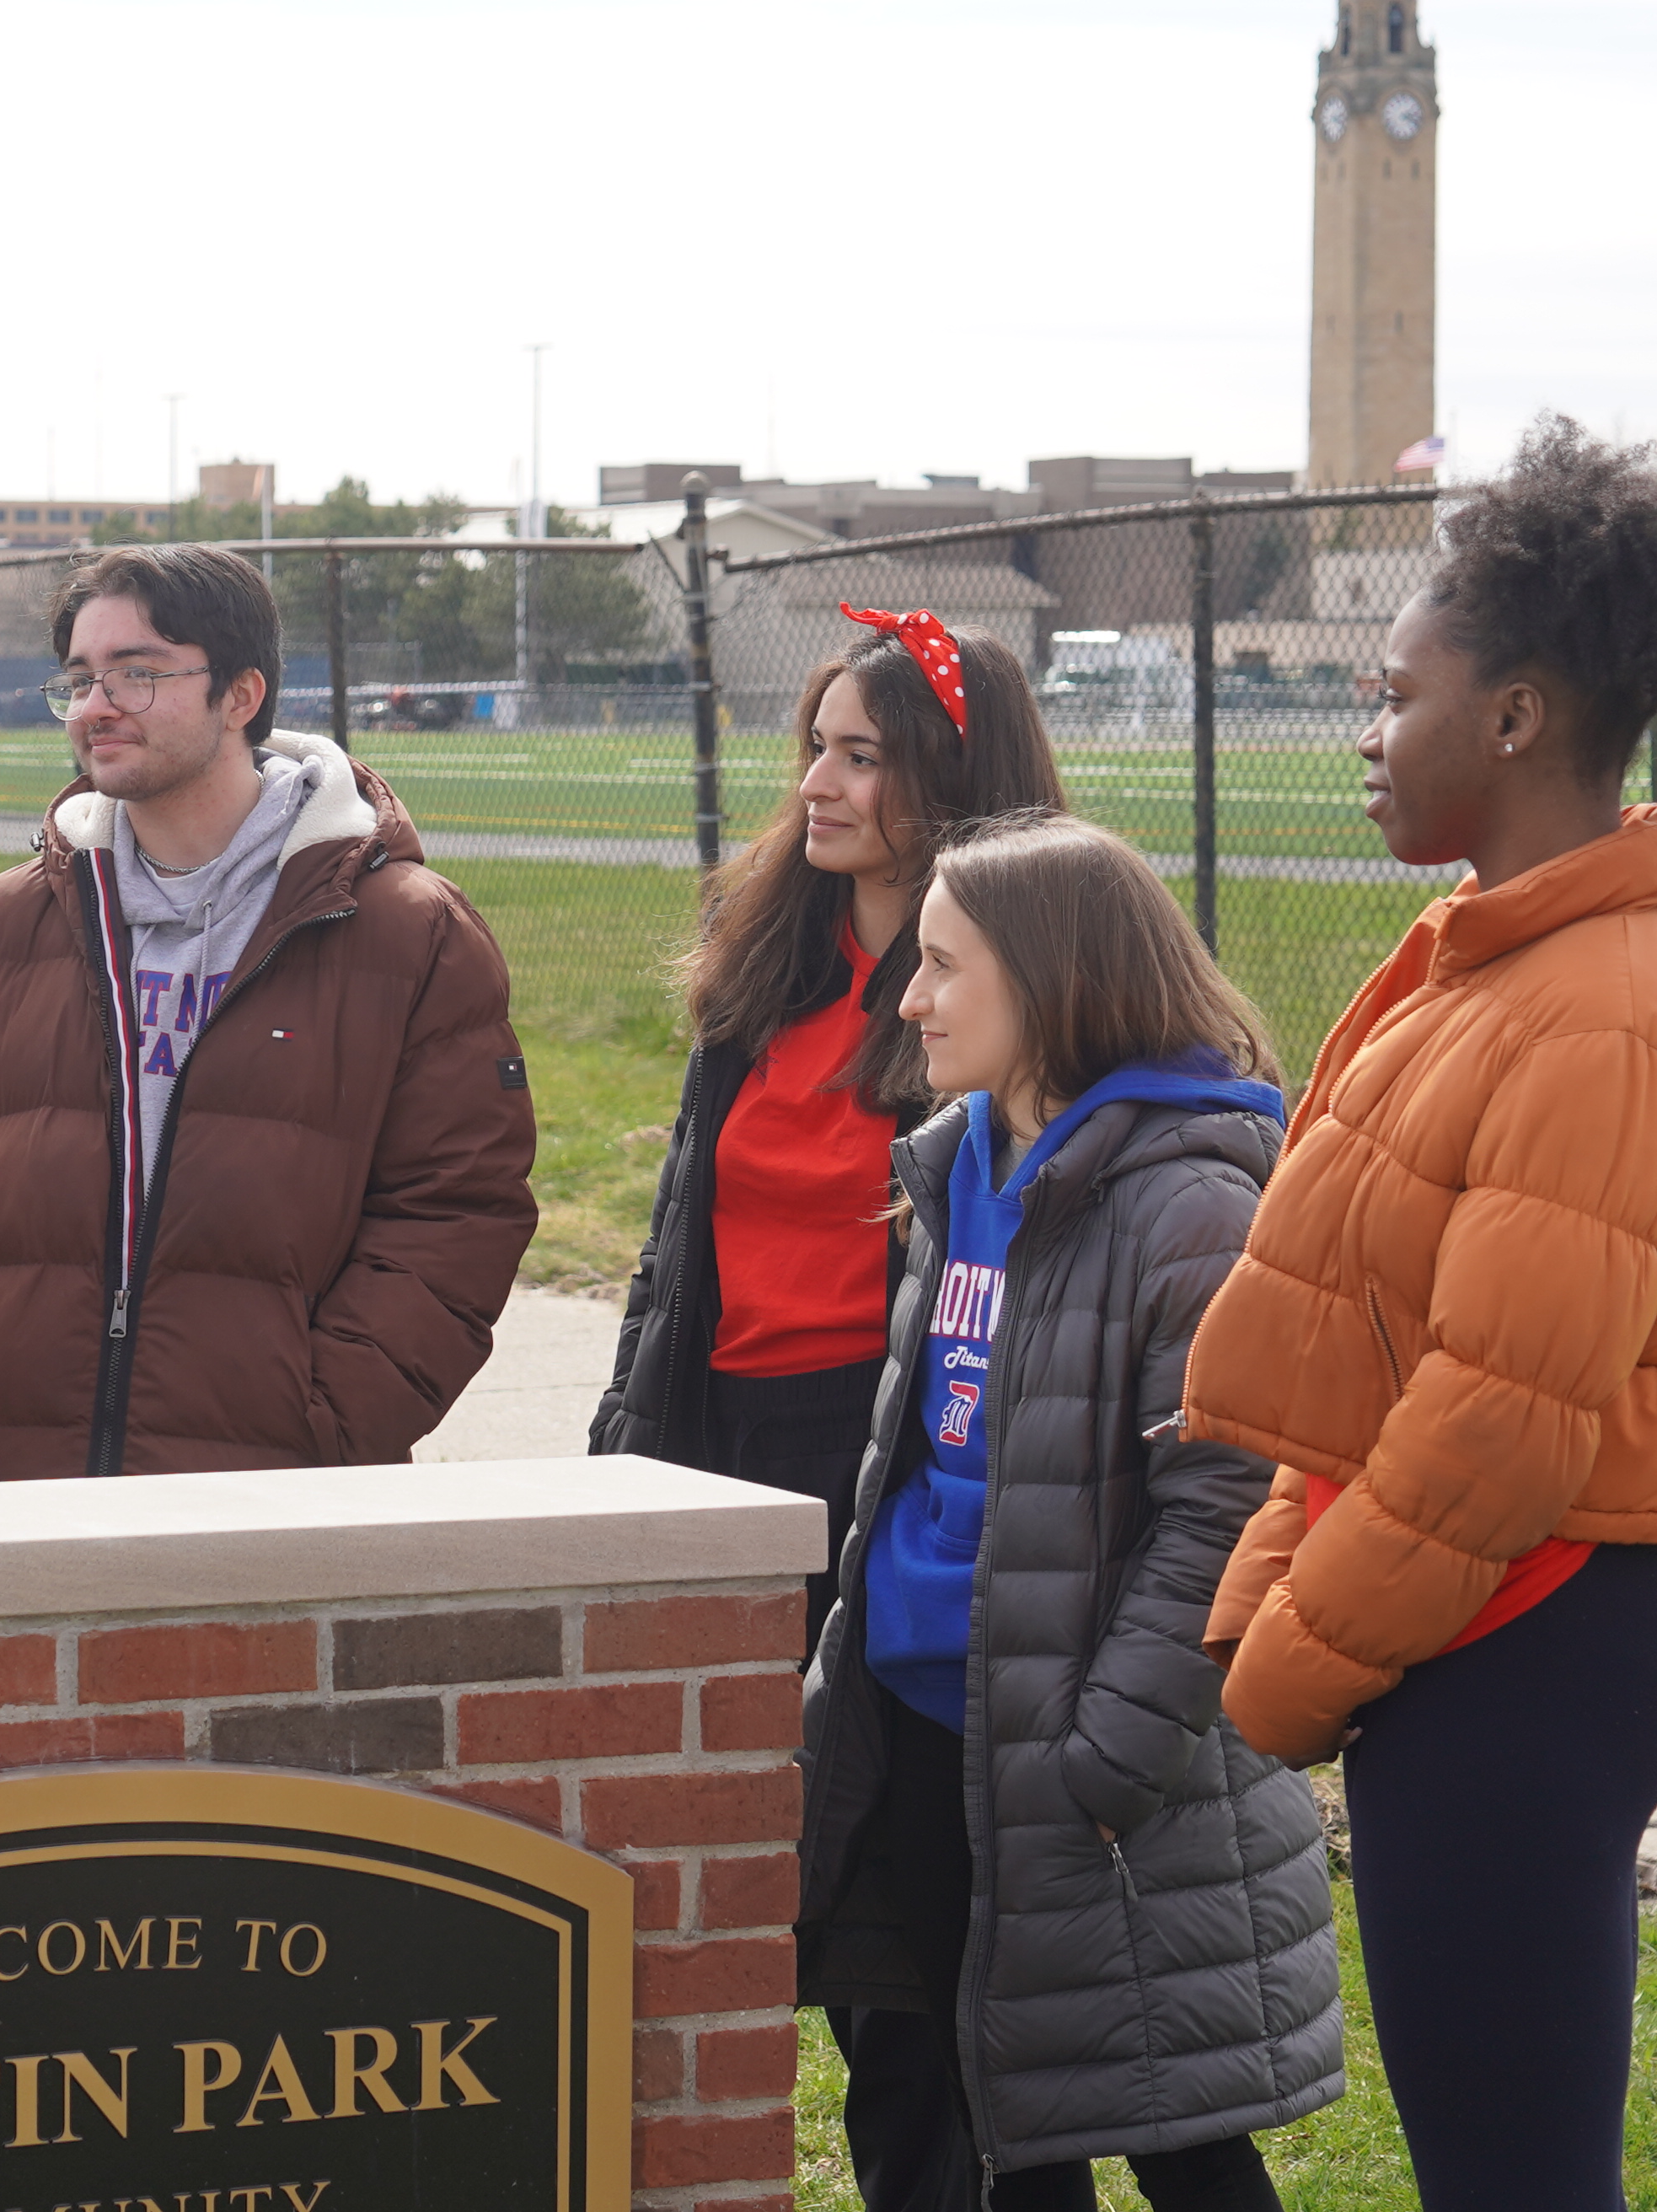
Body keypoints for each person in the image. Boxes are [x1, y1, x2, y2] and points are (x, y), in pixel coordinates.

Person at [1181, 416, 1657, 2210]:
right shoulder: (1502, 954)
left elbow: (1501, 1416)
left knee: (1515, 2177)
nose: (1368, 738)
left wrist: (1300, 1652)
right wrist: (1280, 1576)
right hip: (1471, 1632)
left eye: (1394, 696)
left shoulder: (1596, 1000)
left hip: (1525, 1637)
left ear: (1520, 717)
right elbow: (1370, 1362)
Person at [592, 608, 1065, 2211]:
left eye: (862, 753)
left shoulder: (992, 990)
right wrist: (625, 1453)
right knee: (706, 1864)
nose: (819, 782)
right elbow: (672, 1254)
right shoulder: (768, 956)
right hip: (717, 1446)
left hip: (885, 1470)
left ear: (952, 777)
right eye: (815, 745)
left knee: (890, 1928)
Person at [798, 813, 1339, 2211]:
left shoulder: (1189, 1199)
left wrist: (1108, 1741)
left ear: (1048, 979)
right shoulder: (951, 1158)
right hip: (924, 1724)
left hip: (1084, 1757)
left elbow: (1225, 1500)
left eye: (938, 965)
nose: (905, 997)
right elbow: (922, 1454)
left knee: (1173, 2127)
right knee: (985, 2118)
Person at [0, 544, 534, 1479]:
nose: (97, 705)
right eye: (83, 678)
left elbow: (458, 1211)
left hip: (268, 1483)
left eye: (138, 673)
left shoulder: (406, 931)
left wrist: (328, 1416)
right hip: (8, 1463)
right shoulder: (9, 921)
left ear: (241, 694)